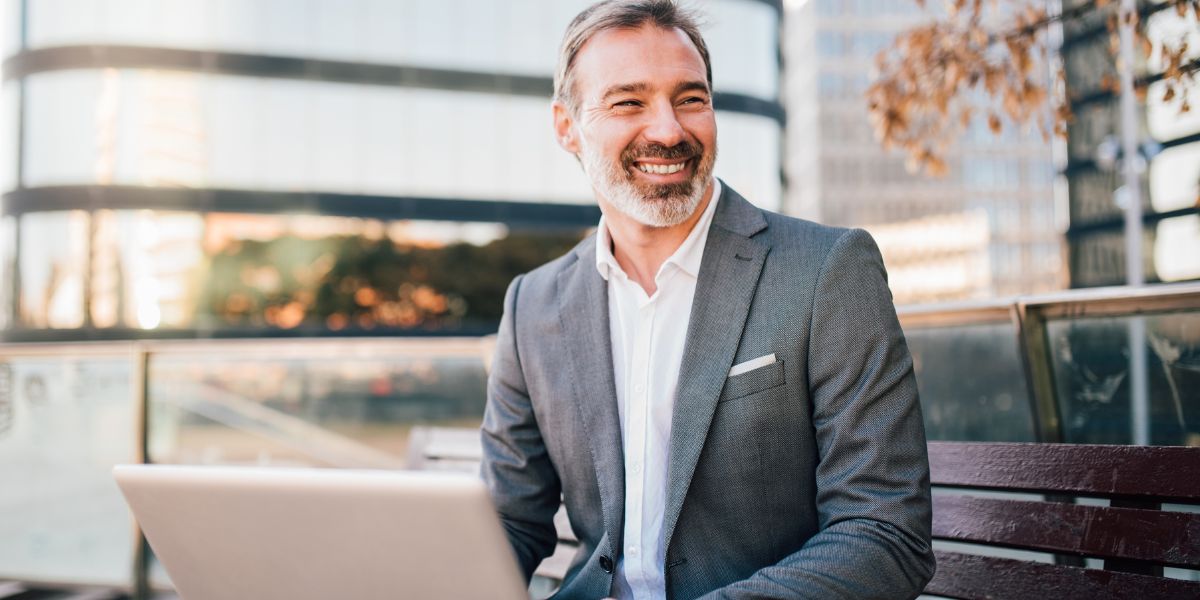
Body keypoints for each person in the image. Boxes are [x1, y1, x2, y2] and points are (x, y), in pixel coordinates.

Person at [480, 1, 935, 598]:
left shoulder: (827, 270)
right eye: (629, 102)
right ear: (567, 126)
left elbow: (885, 530)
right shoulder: (532, 305)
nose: (669, 130)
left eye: (690, 99)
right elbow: (509, 522)